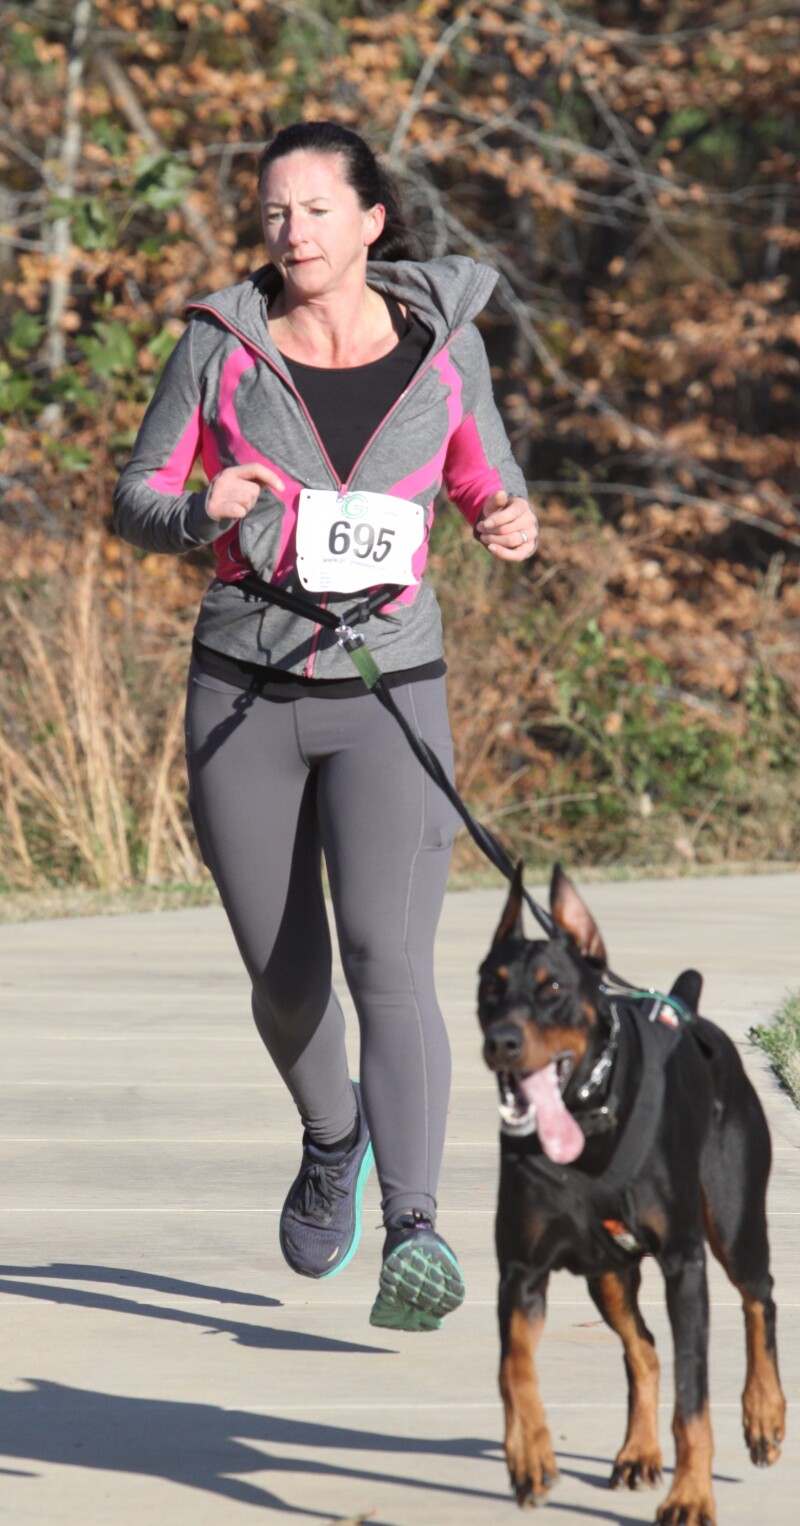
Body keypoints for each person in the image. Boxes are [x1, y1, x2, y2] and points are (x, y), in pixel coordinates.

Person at [114, 120, 539, 1332]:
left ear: (370, 222)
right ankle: (328, 1132)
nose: (289, 232)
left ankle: (414, 1223)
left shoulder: (444, 349)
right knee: (288, 979)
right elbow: (137, 498)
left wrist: (505, 521)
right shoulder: (218, 348)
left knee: (387, 957)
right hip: (242, 693)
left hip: (389, 689)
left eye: (312, 210)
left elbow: (481, 475)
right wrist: (203, 507)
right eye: (271, 214)